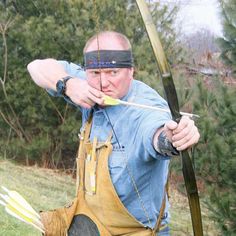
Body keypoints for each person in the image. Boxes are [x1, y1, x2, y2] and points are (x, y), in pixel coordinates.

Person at [27, 31, 200, 236]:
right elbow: (36, 66)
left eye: (113, 73)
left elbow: (158, 135)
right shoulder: (85, 85)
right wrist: (68, 84)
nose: (103, 83)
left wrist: (175, 137)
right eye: (96, 74)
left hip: (138, 231)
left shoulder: (146, 108)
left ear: (131, 71)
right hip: (94, 223)